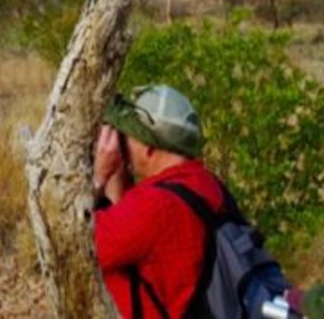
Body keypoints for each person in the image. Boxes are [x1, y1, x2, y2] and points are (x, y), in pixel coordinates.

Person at [93, 84, 225, 318]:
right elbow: (135, 235)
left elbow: (80, 244)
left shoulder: (155, 205)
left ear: (149, 147)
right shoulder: (206, 184)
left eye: (128, 134)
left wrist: (99, 178)